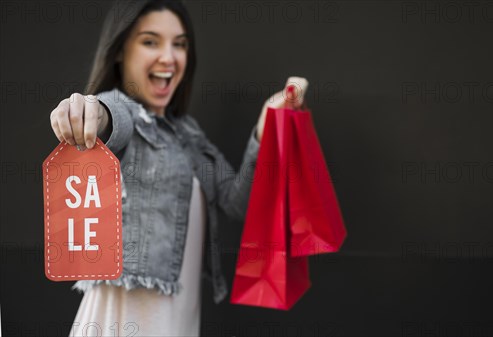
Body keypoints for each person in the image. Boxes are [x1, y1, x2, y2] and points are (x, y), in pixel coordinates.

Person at [48, 1, 308, 335]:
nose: (169, 57)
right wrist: (88, 110)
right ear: (119, 52)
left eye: (179, 44)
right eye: (150, 41)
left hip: (179, 323)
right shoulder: (123, 110)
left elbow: (239, 201)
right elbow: (110, 117)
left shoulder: (189, 136)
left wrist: (267, 124)